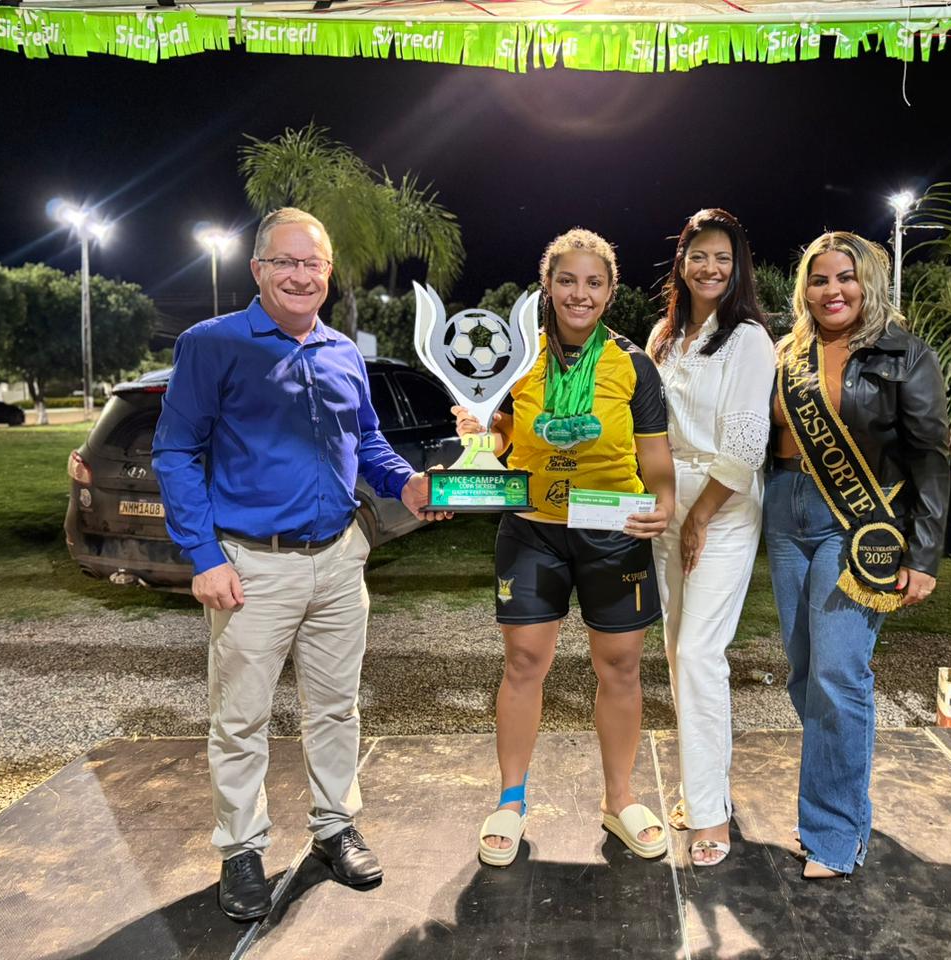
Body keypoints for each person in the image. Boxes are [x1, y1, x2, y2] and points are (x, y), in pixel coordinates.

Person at [152, 207, 447, 921]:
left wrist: (405, 482)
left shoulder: (343, 351)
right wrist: (204, 555)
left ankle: (334, 828)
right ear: (257, 269)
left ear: (328, 272)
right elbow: (175, 452)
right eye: (284, 262)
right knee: (241, 717)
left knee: (337, 707)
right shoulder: (212, 344)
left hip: (340, 560)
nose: (300, 275)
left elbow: (366, 441)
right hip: (253, 566)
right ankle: (241, 850)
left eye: (312, 263)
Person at [453, 228, 675, 868]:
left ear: (610, 290)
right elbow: (498, 439)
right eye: (568, 280)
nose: (581, 293)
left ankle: (619, 799)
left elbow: (655, 457)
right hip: (533, 528)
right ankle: (511, 800)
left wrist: (663, 503)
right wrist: (479, 431)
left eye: (594, 282)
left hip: (614, 530)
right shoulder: (514, 358)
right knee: (524, 661)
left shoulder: (633, 364)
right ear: (548, 286)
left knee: (621, 667)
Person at [764, 231, 949, 880]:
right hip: (784, 511)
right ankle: (835, 804)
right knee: (803, 670)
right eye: (819, 279)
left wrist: (924, 553)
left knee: (839, 673)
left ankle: (834, 835)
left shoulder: (903, 353)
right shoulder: (787, 353)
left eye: (846, 277)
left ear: (868, 281)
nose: (832, 290)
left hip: (857, 522)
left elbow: (930, 456)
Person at [646, 209, 775, 867]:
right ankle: (702, 790)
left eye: (723, 257)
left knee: (699, 653)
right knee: (677, 652)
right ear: (682, 262)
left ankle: (710, 814)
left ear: (738, 266)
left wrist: (699, 516)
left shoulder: (748, 338)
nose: (710, 268)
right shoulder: (665, 336)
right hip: (668, 503)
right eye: (699, 255)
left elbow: (747, 444)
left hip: (721, 509)